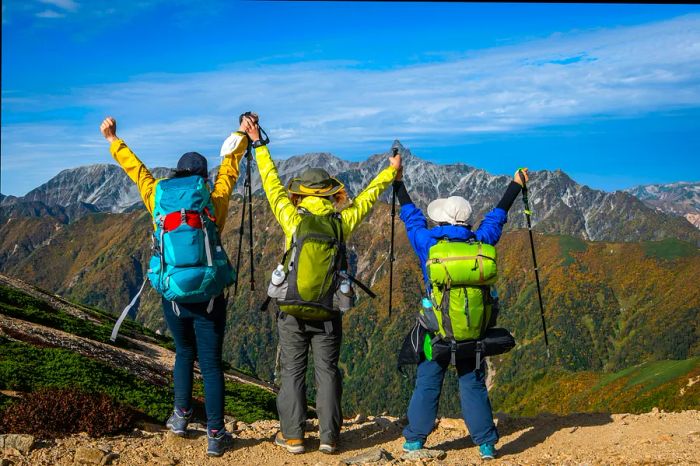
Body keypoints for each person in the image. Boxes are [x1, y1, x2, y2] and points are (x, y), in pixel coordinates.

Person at [221, 114, 400, 454]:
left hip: (291, 309)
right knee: (328, 372)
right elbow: (368, 197)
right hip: (328, 311)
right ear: (331, 196)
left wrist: (258, 143)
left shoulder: (292, 218)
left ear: (301, 194)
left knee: (292, 371)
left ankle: (293, 436)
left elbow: (271, 184)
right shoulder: (341, 222)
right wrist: (390, 171)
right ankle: (331, 438)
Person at [100, 115, 255, 457]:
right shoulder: (212, 201)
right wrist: (242, 135)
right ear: (202, 177)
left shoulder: (157, 196)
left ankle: (180, 419)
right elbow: (230, 167)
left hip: (172, 296)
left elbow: (136, 170)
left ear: (177, 174)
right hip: (210, 296)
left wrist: (113, 139)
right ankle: (215, 435)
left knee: (184, 355)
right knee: (212, 366)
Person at [394, 166, 529, 461]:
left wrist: (398, 184)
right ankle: (486, 445)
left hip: (437, 332)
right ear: (467, 221)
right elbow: (497, 217)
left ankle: (415, 441)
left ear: (440, 220)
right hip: (474, 332)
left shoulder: (429, 245)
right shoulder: (481, 243)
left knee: (429, 379)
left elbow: (411, 217)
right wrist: (515, 185)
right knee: (472, 382)